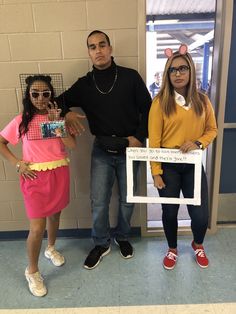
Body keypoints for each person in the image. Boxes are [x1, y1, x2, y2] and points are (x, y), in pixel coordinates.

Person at [57, 30, 152, 270]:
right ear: (89, 53)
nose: (98, 50)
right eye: (92, 47)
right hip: (101, 150)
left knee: (128, 200)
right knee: (99, 201)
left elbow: (149, 109)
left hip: (131, 149)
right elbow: (56, 102)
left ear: (110, 48)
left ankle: (122, 237)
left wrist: (140, 138)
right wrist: (66, 113)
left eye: (102, 45)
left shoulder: (131, 77)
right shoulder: (85, 84)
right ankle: (101, 243)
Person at [0, 75, 76, 297]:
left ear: (51, 95)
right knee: (36, 228)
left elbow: (72, 145)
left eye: (45, 93)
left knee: (55, 216)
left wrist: (56, 124)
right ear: (28, 95)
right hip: (34, 177)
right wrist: (17, 163)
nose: (40, 98)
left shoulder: (57, 119)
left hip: (59, 173)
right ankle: (32, 271)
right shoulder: (21, 121)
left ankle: (50, 248)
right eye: (35, 94)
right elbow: (2, 143)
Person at [148, 44, 217, 270]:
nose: (178, 74)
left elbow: (212, 130)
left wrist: (198, 142)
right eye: (173, 70)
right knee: (170, 211)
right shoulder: (159, 103)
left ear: (191, 71)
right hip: (168, 165)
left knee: (199, 213)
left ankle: (198, 244)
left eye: (183, 69)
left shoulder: (203, 100)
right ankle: (173, 248)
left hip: (193, 164)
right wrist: (156, 172)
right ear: (167, 74)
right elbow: (154, 141)